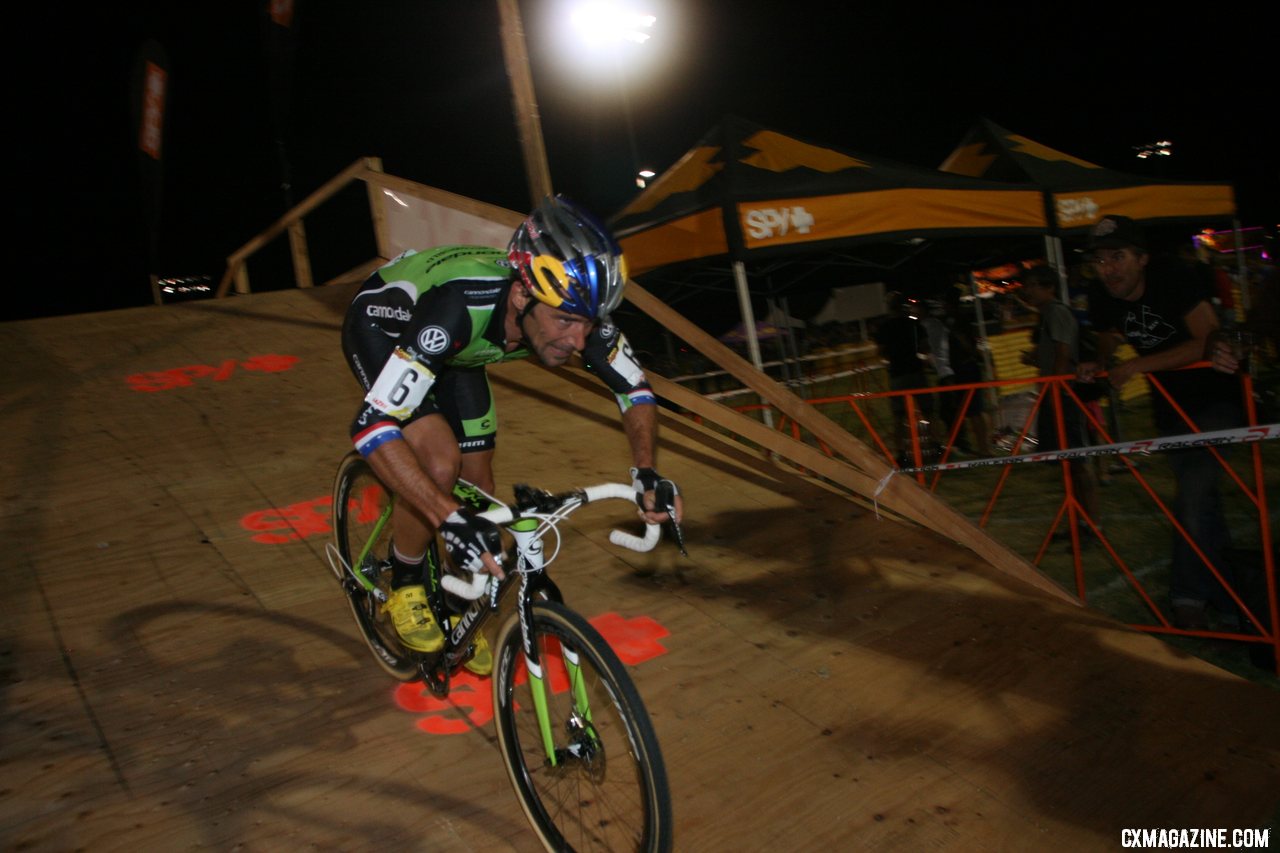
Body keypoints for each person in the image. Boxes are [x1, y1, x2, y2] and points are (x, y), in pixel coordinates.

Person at [341, 196, 683, 672]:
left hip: (467, 352)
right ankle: (405, 581)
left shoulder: (568, 309)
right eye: (565, 321)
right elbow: (370, 424)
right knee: (440, 464)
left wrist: (646, 471)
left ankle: (460, 606)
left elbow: (636, 391)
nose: (577, 343)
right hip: (391, 325)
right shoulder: (460, 305)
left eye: (588, 324)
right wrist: (447, 517)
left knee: (479, 485)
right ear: (522, 295)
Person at [1077, 215, 1243, 630]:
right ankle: (1230, 595)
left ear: (1143, 259)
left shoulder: (1175, 277)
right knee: (1203, 503)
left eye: (1118, 256)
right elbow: (1108, 333)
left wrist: (1138, 364)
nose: (1108, 267)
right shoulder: (1100, 293)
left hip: (1215, 402)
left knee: (1192, 496)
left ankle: (1186, 597)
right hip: (1169, 406)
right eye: (1100, 259)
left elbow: (1207, 337)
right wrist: (1100, 359)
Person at [1018, 266, 1099, 540]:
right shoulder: (1046, 316)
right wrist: (1035, 359)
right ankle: (1078, 522)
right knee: (1066, 462)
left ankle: (1092, 524)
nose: (1027, 290)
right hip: (1054, 393)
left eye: (1032, 285)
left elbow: (1064, 352)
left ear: (1048, 287)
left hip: (1063, 394)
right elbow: (1056, 352)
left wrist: (1056, 387)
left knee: (1077, 460)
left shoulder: (1056, 312)